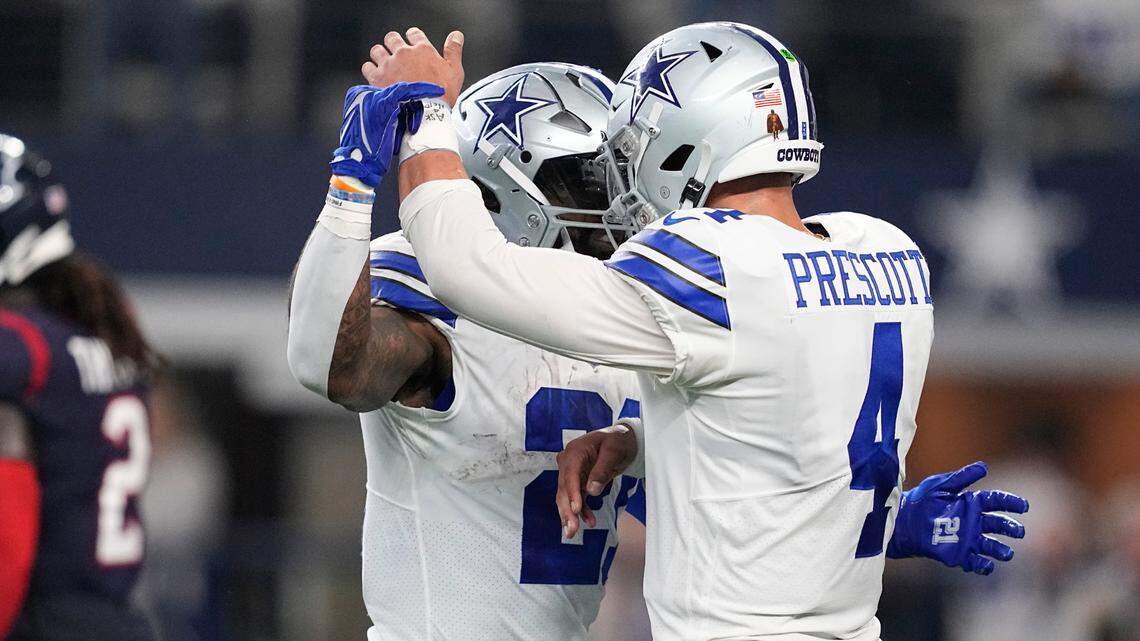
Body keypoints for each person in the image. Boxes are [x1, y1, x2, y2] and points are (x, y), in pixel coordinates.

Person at [361, 23, 1030, 640]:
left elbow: (466, 268)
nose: (626, 173)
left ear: (697, 132)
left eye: (634, 146)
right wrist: (641, 441)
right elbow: (779, 439)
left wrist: (427, 121)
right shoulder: (884, 251)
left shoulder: (706, 259)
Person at [0, 133, 158, 641]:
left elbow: (9, 539)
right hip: (118, 620)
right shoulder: (104, 329)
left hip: (43, 622)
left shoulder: (25, 346)